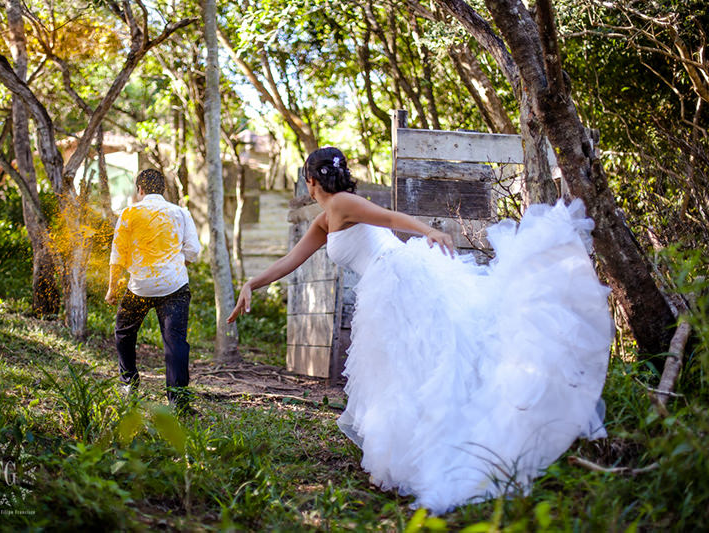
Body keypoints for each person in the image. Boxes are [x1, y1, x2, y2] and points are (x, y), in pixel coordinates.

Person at [227, 146, 613, 513]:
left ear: (311, 181)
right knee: (407, 373)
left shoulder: (342, 203)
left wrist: (429, 230)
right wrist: (251, 284)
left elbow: (391, 218)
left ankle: (452, 446)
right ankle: (414, 457)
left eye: (308, 182)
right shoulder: (324, 219)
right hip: (383, 285)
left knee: (427, 363)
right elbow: (290, 261)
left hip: (399, 277)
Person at [105, 168, 201, 410]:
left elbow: (118, 255)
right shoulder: (180, 212)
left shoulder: (129, 213)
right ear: (164, 189)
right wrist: (175, 266)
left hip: (139, 287)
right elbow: (193, 251)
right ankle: (178, 401)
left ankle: (129, 383)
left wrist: (111, 288)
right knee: (175, 342)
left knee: (124, 332)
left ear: (140, 190)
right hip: (175, 286)